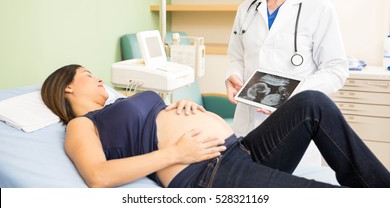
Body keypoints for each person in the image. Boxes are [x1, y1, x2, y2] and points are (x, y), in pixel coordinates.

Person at [40, 64, 390, 188]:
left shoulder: (119, 103)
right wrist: (175, 152)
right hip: (207, 172)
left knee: (312, 103)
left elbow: (157, 119)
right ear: (68, 86)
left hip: (241, 149)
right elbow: (98, 176)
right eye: (88, 75)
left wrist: (181, 107)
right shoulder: (82, 125)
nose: (99, 78)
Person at [225, 0, 349, 136]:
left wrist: (291, 94)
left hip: (294, 127)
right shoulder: (245, 9)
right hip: (246, 129)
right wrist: (233, 77)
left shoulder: (318, 8)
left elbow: (336, 70)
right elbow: (236, 57)